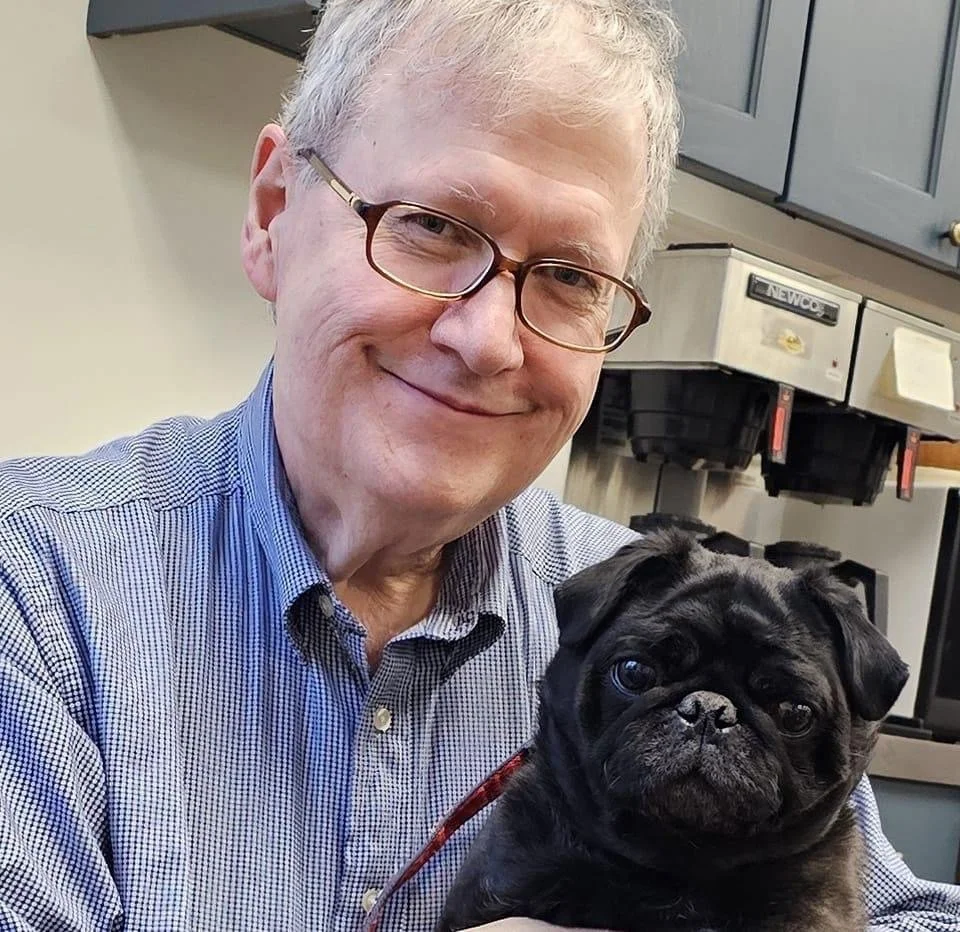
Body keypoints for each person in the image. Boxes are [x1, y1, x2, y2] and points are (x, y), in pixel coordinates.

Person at [0, 1, 957, 929]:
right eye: (432, 226)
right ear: (273, 212)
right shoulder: (39, 598)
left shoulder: (633, 596)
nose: (488, 338)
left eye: (573, 278)